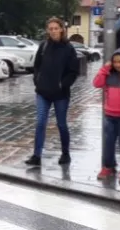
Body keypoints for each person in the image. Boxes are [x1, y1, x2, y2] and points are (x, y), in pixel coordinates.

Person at [25, 17, 80, 167]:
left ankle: (65, 153)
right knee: (41, 122)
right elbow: (36, 66)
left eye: (56, 28)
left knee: (61, 124)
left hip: (60, 94)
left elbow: (74, 71)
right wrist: (38, 80)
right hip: (43, 92)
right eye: (51, 29)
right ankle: (37, 155)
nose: (54, 31)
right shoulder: (43, 46)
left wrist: (64, 84)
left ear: (62, 29)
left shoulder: (68, 49)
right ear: (48, 31)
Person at [93, 48, 120, 181]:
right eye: (115, 62)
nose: (118, 65)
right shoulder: (108, 74)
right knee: (109, 142)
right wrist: (104, 69)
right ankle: (108, 166)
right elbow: (97, 83)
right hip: (109, 115)